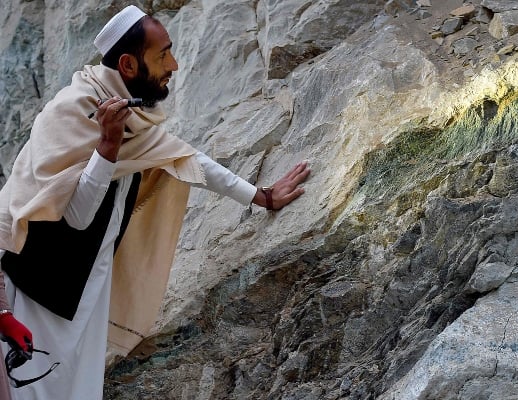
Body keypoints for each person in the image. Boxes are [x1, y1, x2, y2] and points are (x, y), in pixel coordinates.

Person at [0, 4, 310, 399]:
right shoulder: (71, 111)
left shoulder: (131, 115)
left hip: (86, 288)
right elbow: (76, 217)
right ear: (129, 66)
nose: (174, 65)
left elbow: (184, 158)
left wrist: (261, 196)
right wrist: (107, 148)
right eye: (162, 55)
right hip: (35, 291)